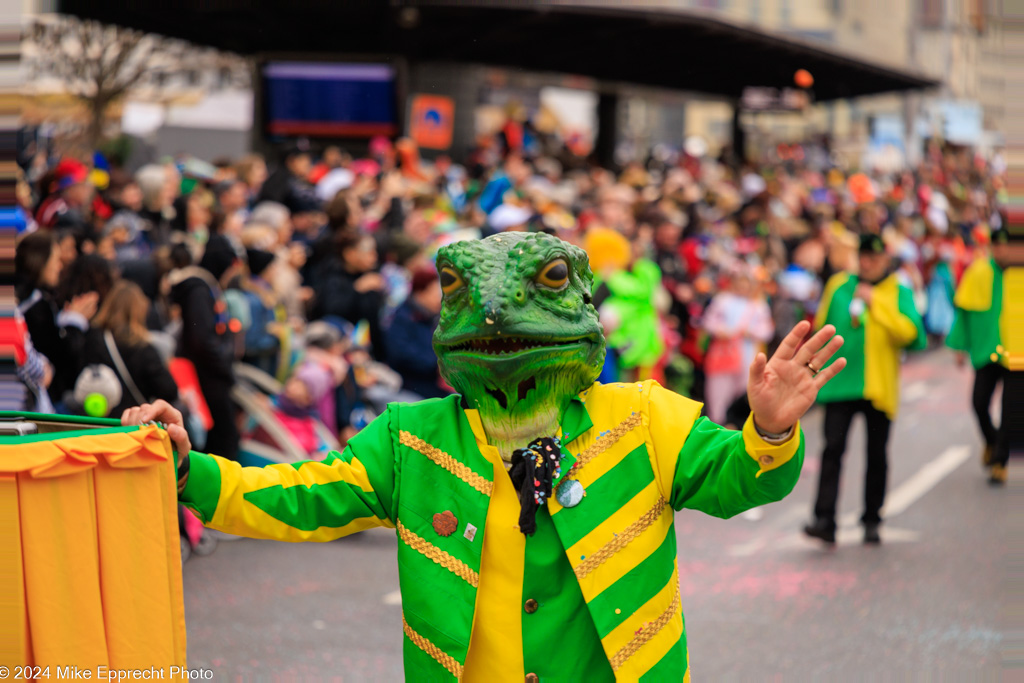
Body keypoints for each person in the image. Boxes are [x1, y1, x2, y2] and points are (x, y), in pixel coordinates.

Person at [126, 232, 847, 681]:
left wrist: (770, 430)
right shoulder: (411, 439)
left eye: (552, 283)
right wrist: (190, 468)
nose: (495, 317)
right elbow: (297, 494)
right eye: (457, 290)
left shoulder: (643, 418)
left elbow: (735, 479)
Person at [804, 233, 926, 545]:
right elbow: (821, 326)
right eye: (864, 255)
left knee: (876, 454)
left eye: (875, 256)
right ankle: (824, 519)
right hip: (840, 383)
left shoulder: (897, 290)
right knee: (832, 451)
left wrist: (876, 303)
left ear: (886, 259)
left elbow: (912, 333)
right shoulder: (838, 286)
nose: (869, 262)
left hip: (878, 386)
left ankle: (872, 519)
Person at [946, 227, 1010, 484]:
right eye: (998, 245)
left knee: (1012, 408)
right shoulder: (978, 271)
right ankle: (992, 442)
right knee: (979, 403)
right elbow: (964, 312)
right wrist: (959, 345)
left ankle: (1001, 461)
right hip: (986, 349)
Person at [15, 232, 96, 405]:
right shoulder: (32, 303)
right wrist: (74, 322)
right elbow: (54, 354)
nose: (59, 266)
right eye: (56, 259)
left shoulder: (38, 298)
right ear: (41, 261)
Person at [82, 280, 179, 418]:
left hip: (96, 420)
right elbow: (169, 391)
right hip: (132, 423)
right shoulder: (141, 347)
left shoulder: (91, 338)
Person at [702, 266, 775, 426]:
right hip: (722, 354)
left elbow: (767, 330)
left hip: (747, 355)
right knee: (718, 392)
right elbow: (708, 321)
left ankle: (740, 426)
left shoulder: (758, 305)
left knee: (744, 392)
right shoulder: (722, 300)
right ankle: (717, 425)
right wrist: (722, 331)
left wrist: (751, 332)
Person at [384, 267, 447, 399]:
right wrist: (436, 364)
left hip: (434, 380)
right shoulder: (403, 318)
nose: (439, 299)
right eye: (434, 294)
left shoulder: (435, 316)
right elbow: (401, 352)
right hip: (412, 384)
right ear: (420, 293)